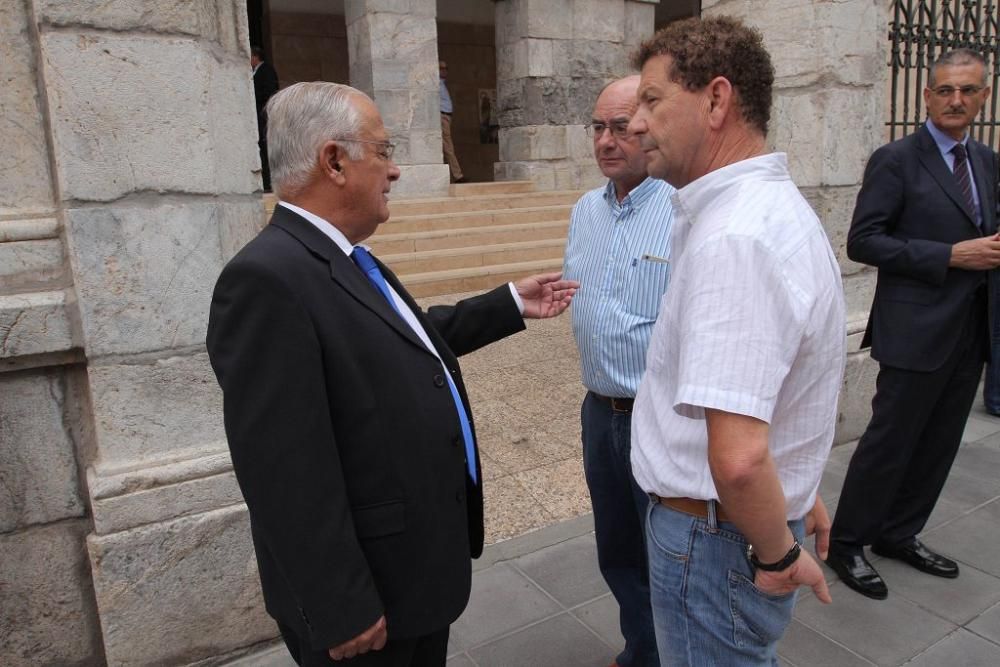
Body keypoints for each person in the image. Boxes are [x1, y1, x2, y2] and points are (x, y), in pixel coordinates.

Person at [206, 82, 578, 666]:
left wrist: (507, 304)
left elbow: (402, 340)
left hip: (409, 578)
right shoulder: (267, 280)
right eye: (382, 151)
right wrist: (341, 604)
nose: (396, 170)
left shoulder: (344, 255)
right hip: (367, 603)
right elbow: (283, 470)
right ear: (334, 161)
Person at [627, 17, 845, 665]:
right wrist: (795, 491)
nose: (636, 122)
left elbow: (740, 459)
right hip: (727, 527)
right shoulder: (749, 212)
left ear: (716, 99)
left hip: (714, 539)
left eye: (651, 99)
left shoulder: (737, 236)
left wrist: (778, 555)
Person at [826, 48, 999, 600]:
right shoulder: (897, 159)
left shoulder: (988, 162)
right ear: (927, 96)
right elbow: (864, 240)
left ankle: (900, 533)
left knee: (940, 442)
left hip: (971, 330)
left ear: (983, 96)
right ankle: (847, 544)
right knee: (890, 441)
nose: (956, 100)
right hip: (914, 332)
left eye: (968, 90)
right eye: (946, 89)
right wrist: (949, 254)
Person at [562, 75, 674, 667]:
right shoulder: (585, 210)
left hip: (658, 414)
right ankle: (642, 648)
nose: (607, 141)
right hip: (598, 411)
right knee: (618, 547)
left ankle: (669, 652)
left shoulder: (683, 210)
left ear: (652, 125)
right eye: (598, 127)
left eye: (622, 126)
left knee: (668, 551)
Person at [251, 45, 279, 191]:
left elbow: (269, 93)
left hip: (263, 117)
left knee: (267, 147)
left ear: (255, 56)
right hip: (257, 117)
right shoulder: (256, 72)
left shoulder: (266, 70)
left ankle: (270, 183)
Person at [439, 60, 465, 183]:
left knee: (447, 146)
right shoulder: (437, 84)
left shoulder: (442, 83)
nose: (444, 70)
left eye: (446, 68)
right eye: (441, 68)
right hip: (442, 116)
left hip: (446, 117)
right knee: (448, 147)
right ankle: (458, 175)